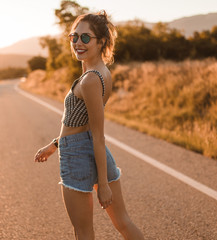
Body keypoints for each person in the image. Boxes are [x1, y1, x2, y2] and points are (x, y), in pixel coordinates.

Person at [34, 10, 144, 240]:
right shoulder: (102, 73)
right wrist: (55, 144)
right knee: (123, 222)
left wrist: (102, 185)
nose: (77, 43)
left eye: (85, 37)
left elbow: (97, 135)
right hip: (89, 149)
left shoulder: (92, 79)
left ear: (101, 41)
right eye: (74, 37)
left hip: (78, 154)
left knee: (83, 232)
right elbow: (83, 124)